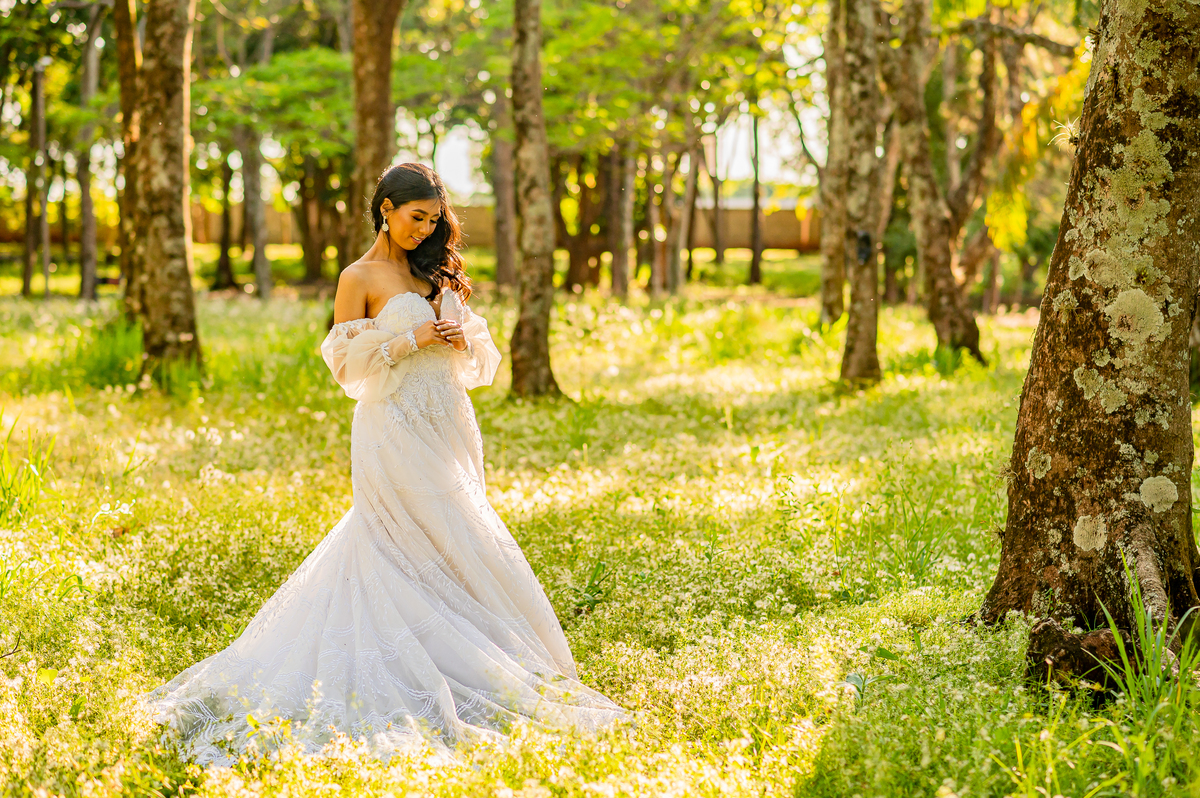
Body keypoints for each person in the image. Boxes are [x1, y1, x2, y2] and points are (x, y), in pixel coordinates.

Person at [148, 163, 624, 764]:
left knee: (456, 536)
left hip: (448, 420)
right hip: (392, 426)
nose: (425, 230)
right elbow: (346, 365)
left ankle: (478, 656)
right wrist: (409, 340)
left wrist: (460, 339)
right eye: (416, 217)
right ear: (386, 210)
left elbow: (480, 355)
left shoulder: (434, 270)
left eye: (434, 221)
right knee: (395, 537)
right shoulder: (358, 276)